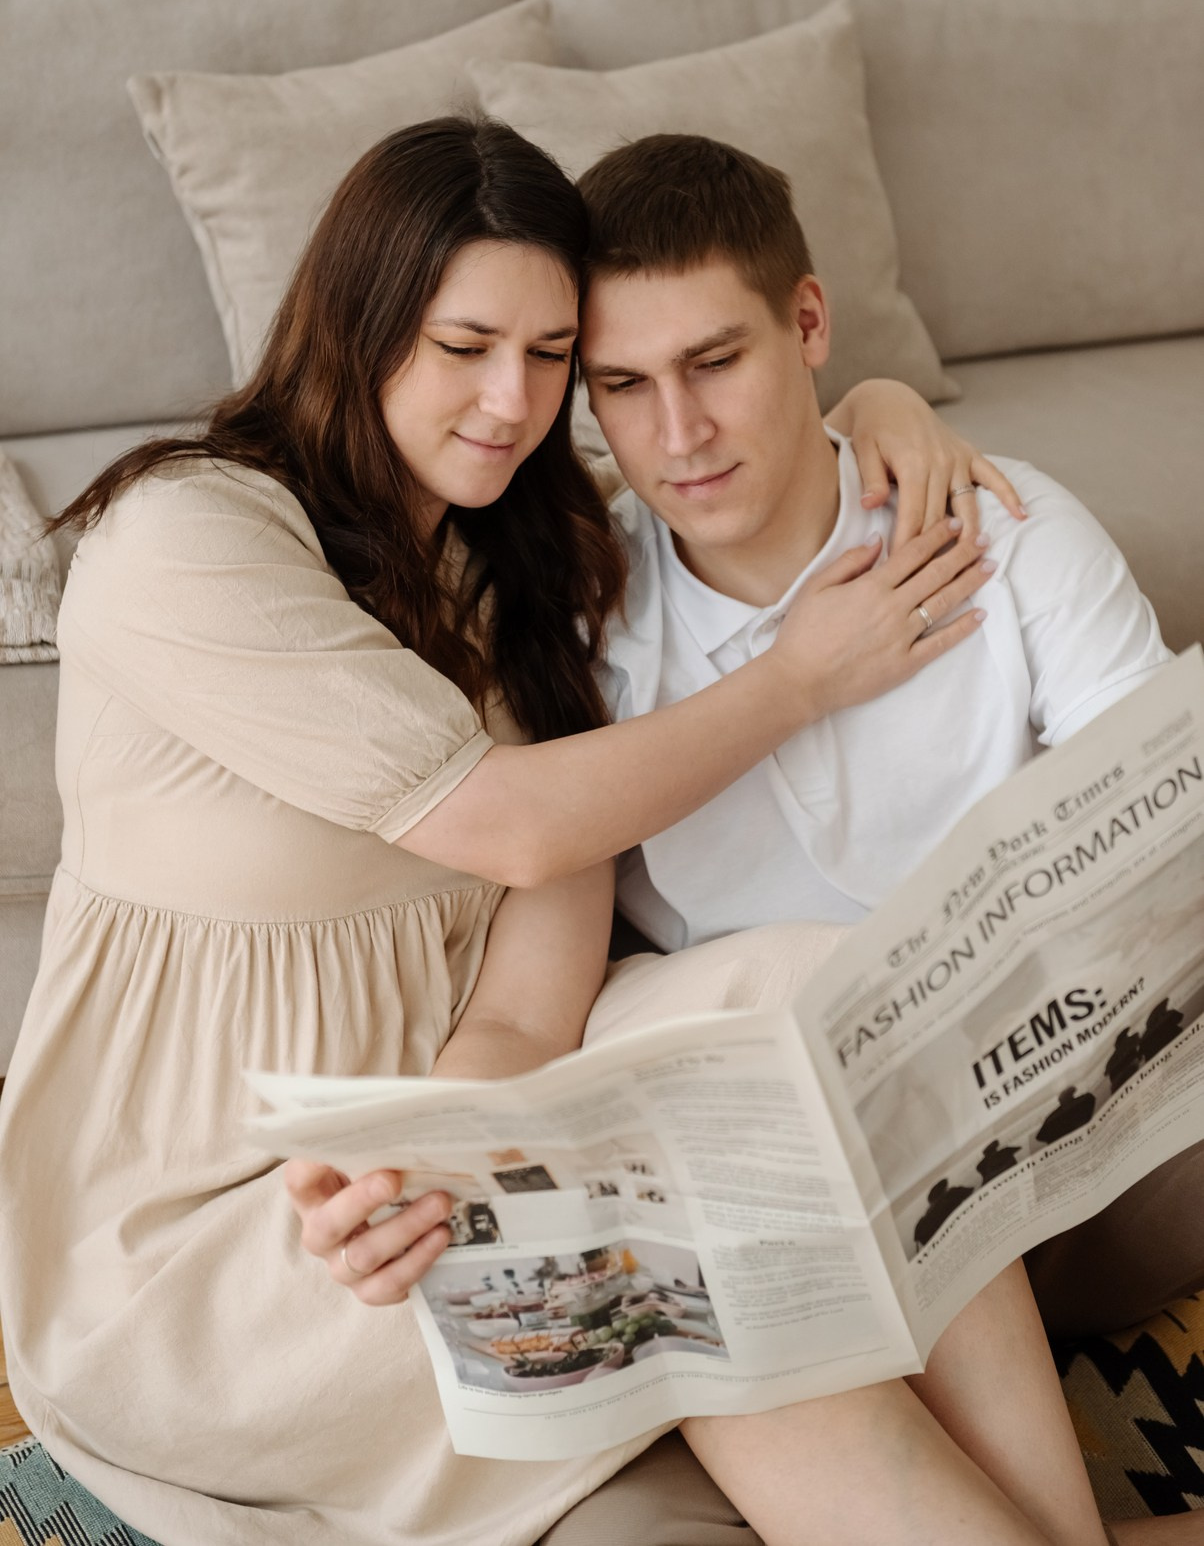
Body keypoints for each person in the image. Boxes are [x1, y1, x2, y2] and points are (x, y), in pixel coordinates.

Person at [0, 115, 1017, 1546]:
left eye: (551, 358)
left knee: (809, 994)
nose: (511, 402)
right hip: (232, 1232)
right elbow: (512, 824)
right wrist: (800, 678)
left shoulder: (520, 550)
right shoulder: (188, 543)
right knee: (703, 1237)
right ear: (358, 322)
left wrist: (882, 401)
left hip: (449, 1128)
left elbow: (541, 979)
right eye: (465, 345)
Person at [278, 132, 1190, 1546]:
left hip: (1045, 1132)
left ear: (810, 325)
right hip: (785, 1181)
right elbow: (532, 1005)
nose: (679, 437)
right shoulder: (580, 630)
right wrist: (419, 1153)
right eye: (624, 389)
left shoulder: (1004, 537)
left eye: (717, 363)